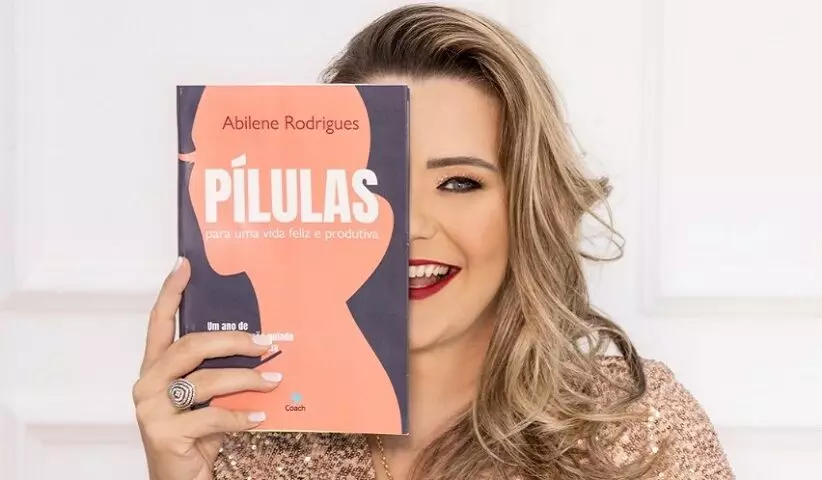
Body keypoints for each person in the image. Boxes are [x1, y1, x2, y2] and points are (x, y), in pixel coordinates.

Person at [133, 4, 735, 480]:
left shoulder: (635, 426)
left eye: (458, 182)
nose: (410, 225)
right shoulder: (241, 433)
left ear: (526, 205)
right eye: (375, 182)